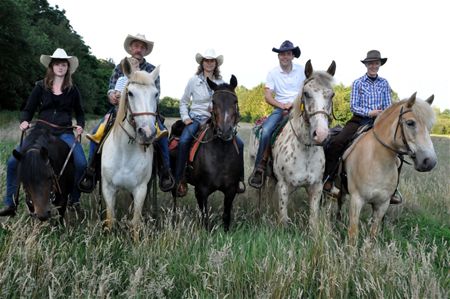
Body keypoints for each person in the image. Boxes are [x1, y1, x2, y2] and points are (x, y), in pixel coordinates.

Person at [81, 33, 174, 192]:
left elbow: (156, 93)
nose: (138, 49)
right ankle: (90, 171)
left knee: (162, 134)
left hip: (146, 111)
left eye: (142, 47)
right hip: (120, 110)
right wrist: (112, 95)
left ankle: (165, 170)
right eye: (136, 46)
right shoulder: (120, 67)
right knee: (97, 132)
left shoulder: (151, 70)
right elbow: (111, 87)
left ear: (145, 50)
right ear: (131, 48)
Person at [0, 48, 87, 216]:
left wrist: (80, 125)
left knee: (81, 164)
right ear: (51, 66)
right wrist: (24, 121)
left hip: (64, 131)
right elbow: (28, 109)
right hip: (41, 130)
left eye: (63, 64)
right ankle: (10, 203)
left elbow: (80, 112)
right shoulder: (40, 86)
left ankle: (74, 200)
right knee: (12, 162)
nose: (60, 67)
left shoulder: (73, 90)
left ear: (67, 68)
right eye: (57, 64)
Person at [323, 49, 401, 204]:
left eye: (376, 63)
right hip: (359, 120)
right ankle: (329, 179)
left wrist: (382, 114)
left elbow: (388, 105)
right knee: (337, 142)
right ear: (366, 65)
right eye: (370, 63)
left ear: (380, 65)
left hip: (381, 122)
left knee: (398, 151)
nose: (373, 66)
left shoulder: (384, 83)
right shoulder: (358, 82)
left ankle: (393, 189)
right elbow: (353, 106)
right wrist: (370, 112)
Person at [175, 49, 246, 197]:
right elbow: (183, 102)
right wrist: (186, 117)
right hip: (195, 118)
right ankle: (180, 178)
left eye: (212, 61)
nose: (209, 63)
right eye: (206, 60)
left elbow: (226, 104)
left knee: (239, 143)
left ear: (216, 64)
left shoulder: (221, 82)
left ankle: (239, 179)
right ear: (202, 63)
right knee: (184, 141)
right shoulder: (193, 81)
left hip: (214, 120)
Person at [248, 40, 306, 189]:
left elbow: (308, 90)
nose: (284, 57)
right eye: (282, 54)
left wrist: (294, 104)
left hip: (298, 108)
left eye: (288, 54)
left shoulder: (301, 70)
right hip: (280, 109)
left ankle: (322, 173)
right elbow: (268, 96)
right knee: (266, 130)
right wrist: (282, 106)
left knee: (319, 130)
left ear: (293, 56)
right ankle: (260, 167)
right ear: (278, 56)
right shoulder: (273, 73)